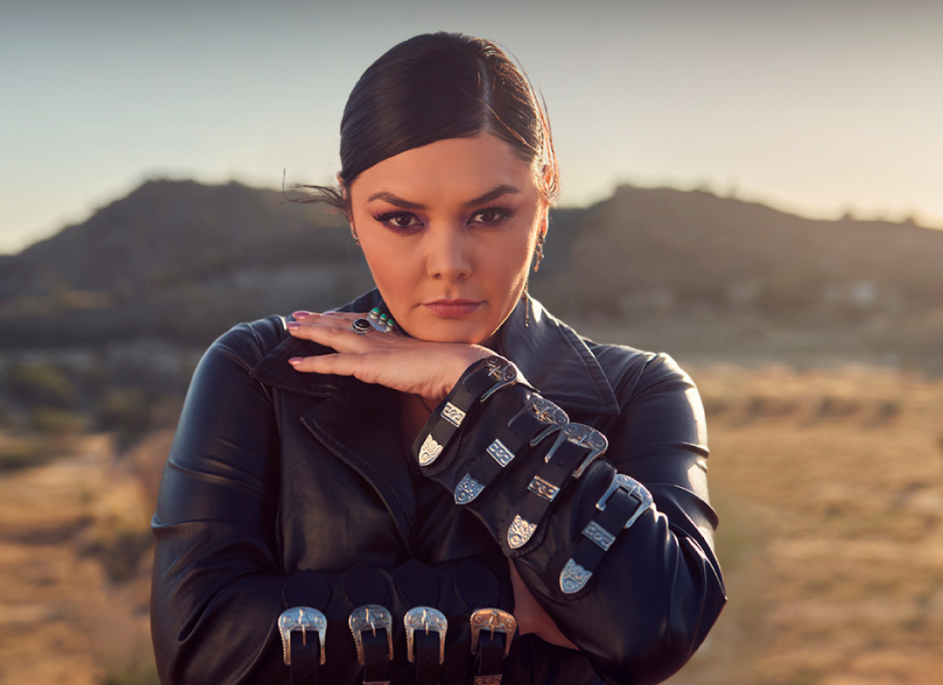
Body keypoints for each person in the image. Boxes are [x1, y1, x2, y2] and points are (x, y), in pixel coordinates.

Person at [150, 32, 725, 685]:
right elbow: (199, 649)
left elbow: (660, 622)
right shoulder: (260, 372)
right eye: (401, 219)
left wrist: (480, 395)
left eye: (488, 214)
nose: (448, 264)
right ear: (352, 211)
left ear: (545, 199)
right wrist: (496, 600)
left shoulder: (641, 390)